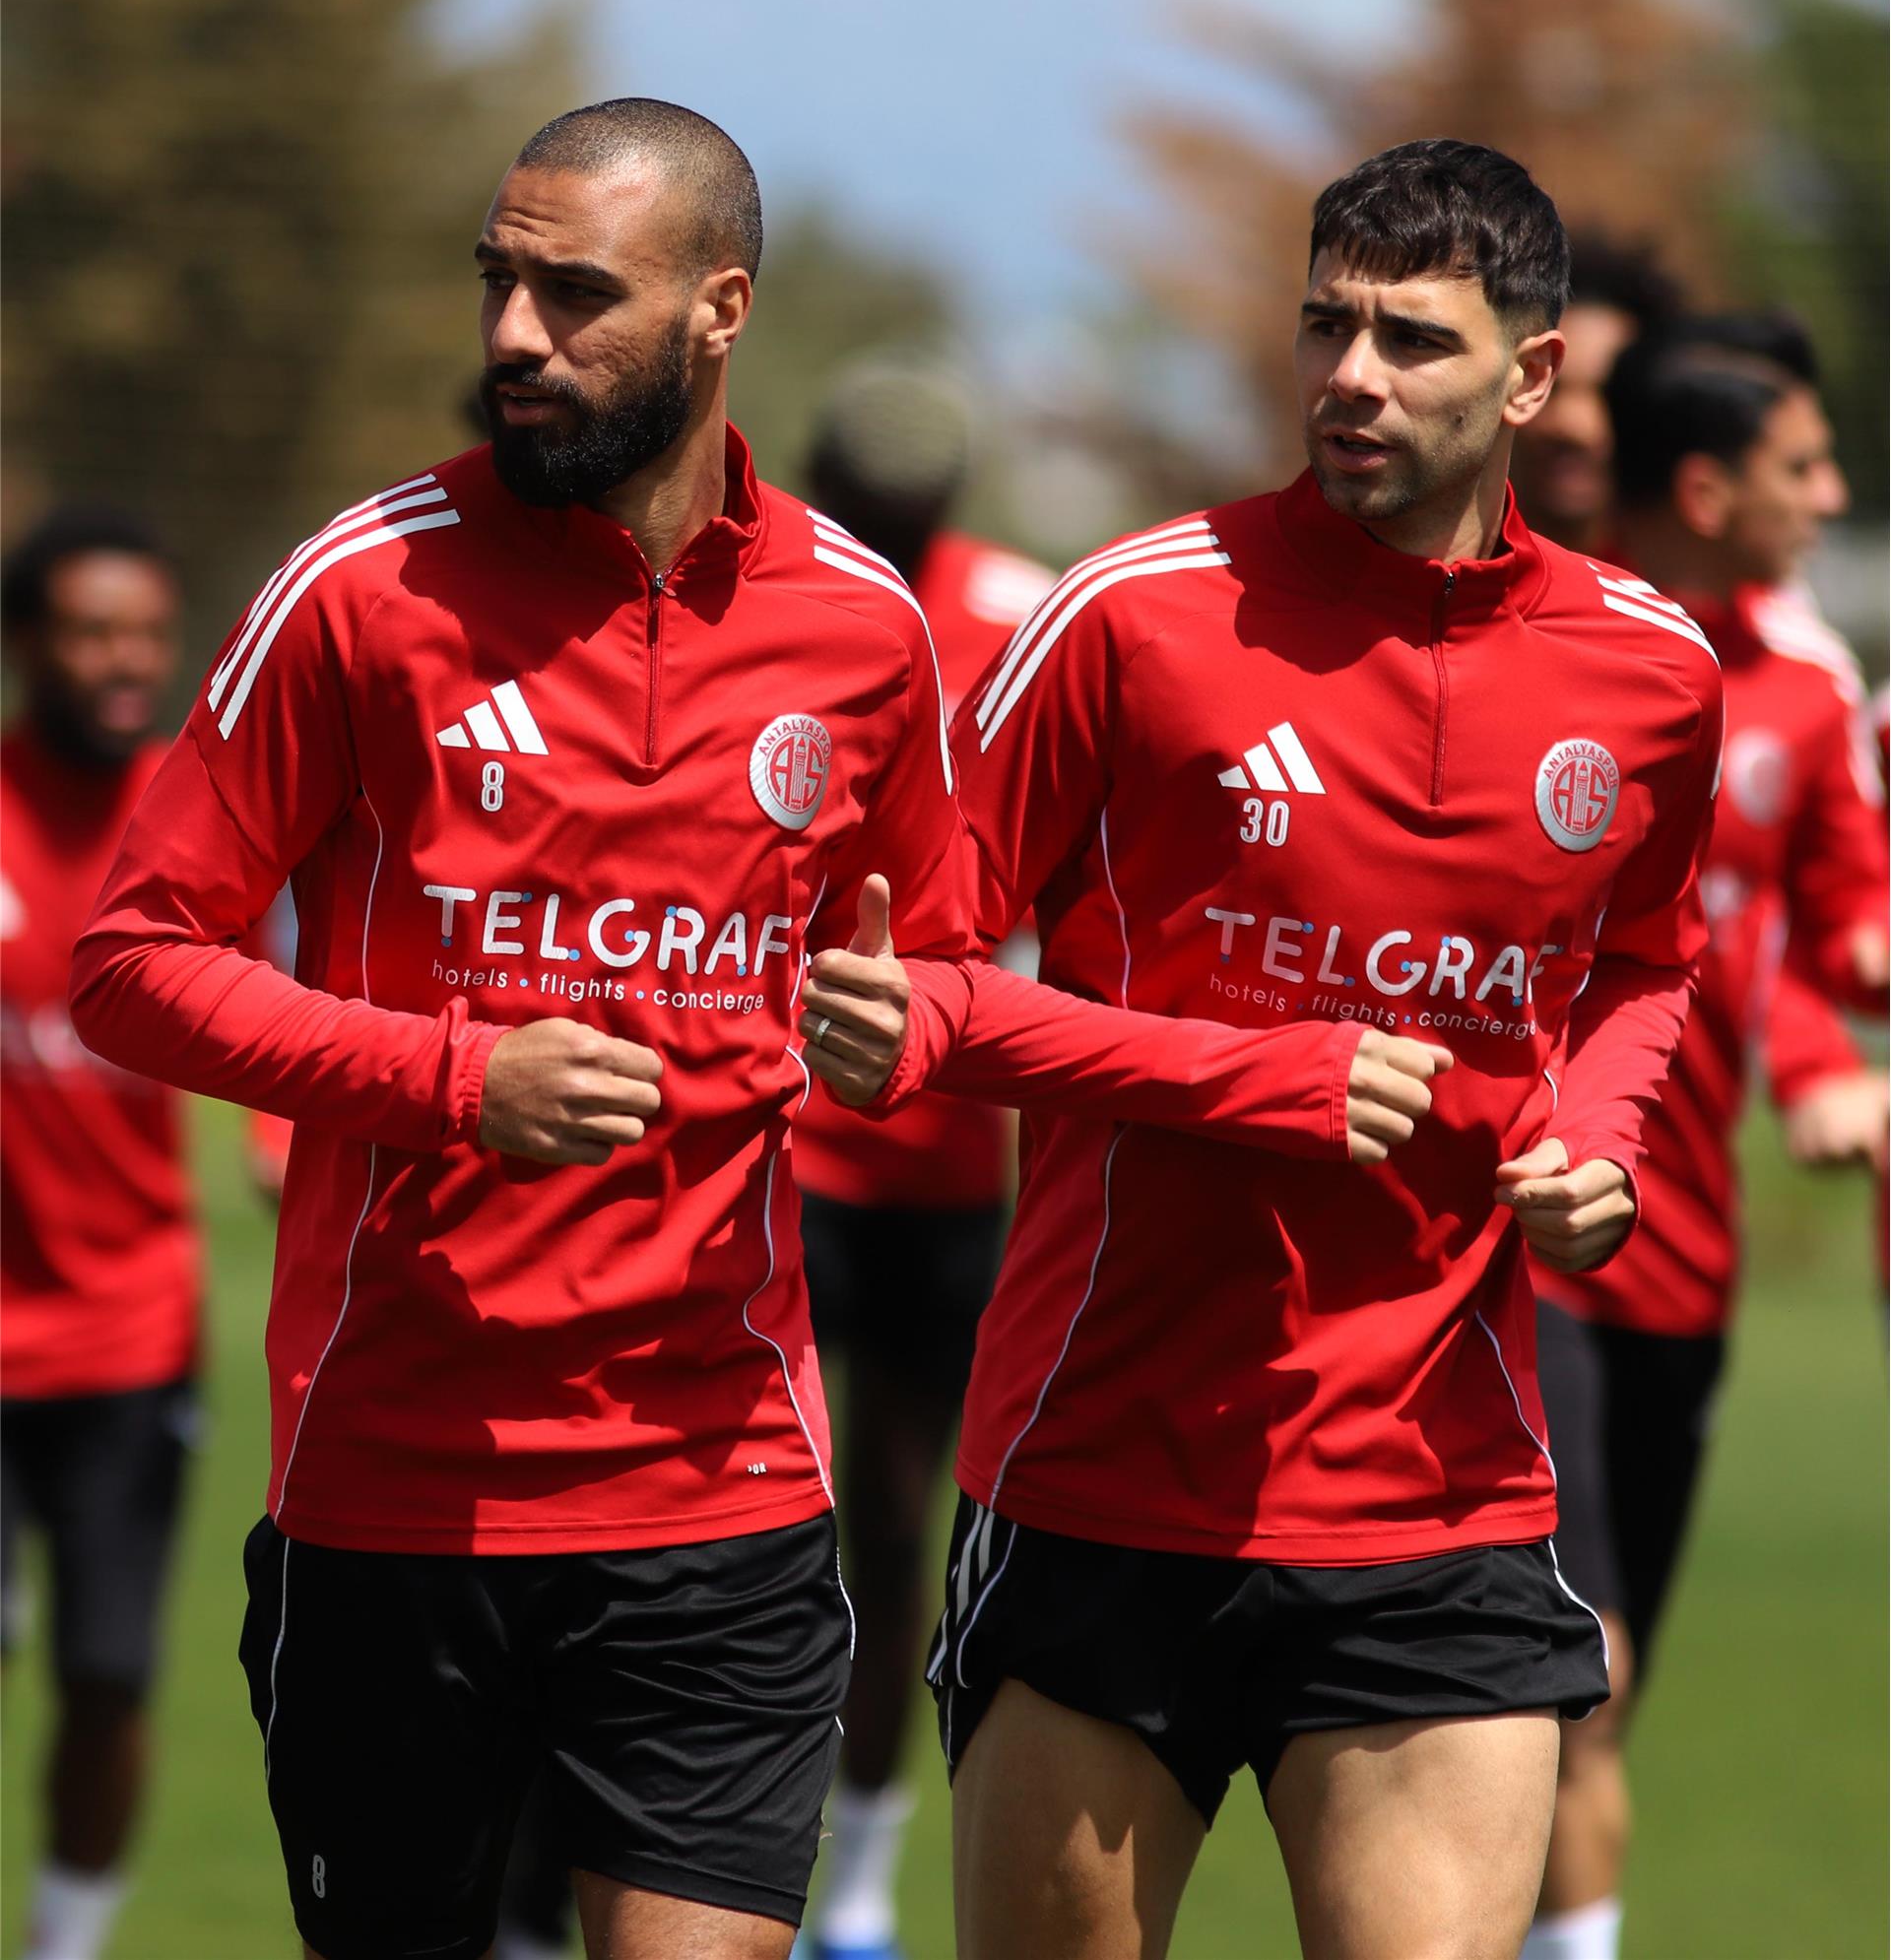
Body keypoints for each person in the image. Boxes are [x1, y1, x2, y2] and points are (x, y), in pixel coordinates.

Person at [68, 98, 1423, 1960]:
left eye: (575, 294)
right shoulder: (362, 589)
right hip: (398, 1483)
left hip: (723, 1490)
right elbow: (133, 957)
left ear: (721, 310)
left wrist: (1184, 1065)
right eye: (498, 283)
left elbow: (944, 987)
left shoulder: (861, 630)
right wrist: (454, 1077)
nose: (516, 335)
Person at [807, 139, 1724, 1960]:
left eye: (1413, 339)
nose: (1350, 376)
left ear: (1533, 377)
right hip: (1103, 1466)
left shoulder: (1648, 669)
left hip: (1439, 1491)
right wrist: (1257, 1077)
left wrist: (1604, 1140)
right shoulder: (1131, 614)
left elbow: (1646, 958)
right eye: (1326, 326)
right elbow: (903, 995)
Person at [1525, 321, 1888, 1960]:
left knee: (1613, 1693)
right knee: (1574, 1671)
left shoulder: (1808, 689)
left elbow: (1833, 928)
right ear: (1703, 488)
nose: (1832, 495)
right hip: (1527, 1233)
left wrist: (1820, 1052)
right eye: (1803, 466)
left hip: (1688, 1250)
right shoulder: (1545, 643)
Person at [788, 361, 1052, 1960]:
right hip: (786, 1143)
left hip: (945, 1162)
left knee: (896, 1521)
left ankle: (862, 1884)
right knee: (759, 1513)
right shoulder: (779, 605)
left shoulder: (1022, 616)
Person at [1, 508, 194, 1960]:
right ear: (25, 646)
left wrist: (279, 1142)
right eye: (89, 632)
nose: (123, 660)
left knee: (112, 1675)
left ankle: (64, 1945)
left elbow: (306, 987)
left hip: (133, 1333)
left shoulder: (199, 815)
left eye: (145, 634)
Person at [1507, 231, 1682, 554]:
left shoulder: (1705, 580)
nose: (1573, 425)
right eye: (1545, 384)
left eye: (1606, 393)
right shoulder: (1437, 569)